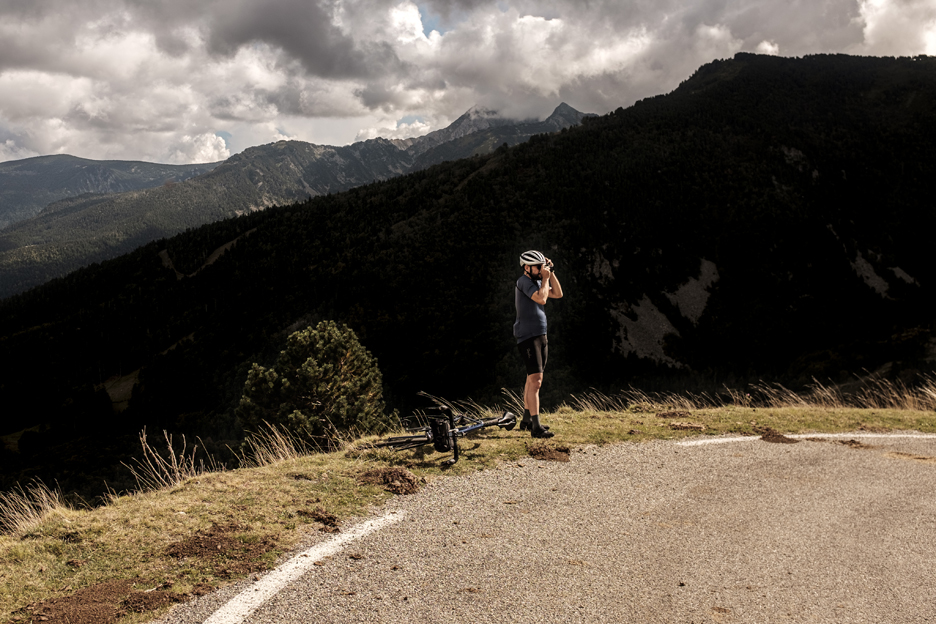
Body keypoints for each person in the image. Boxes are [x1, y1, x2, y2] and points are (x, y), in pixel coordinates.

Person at [514, 250, 564, 438]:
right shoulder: (524, 282)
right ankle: (536, 427)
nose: (540, 270)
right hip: (528, 336)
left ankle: (526, 420)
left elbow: (558, 294)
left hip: (540, 334)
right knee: (536, 381)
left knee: (531, 378)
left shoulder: (536, 280)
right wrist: (545, 279)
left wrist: (551, 273)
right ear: (527, 267)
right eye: (538, 267)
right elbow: (542, 298)